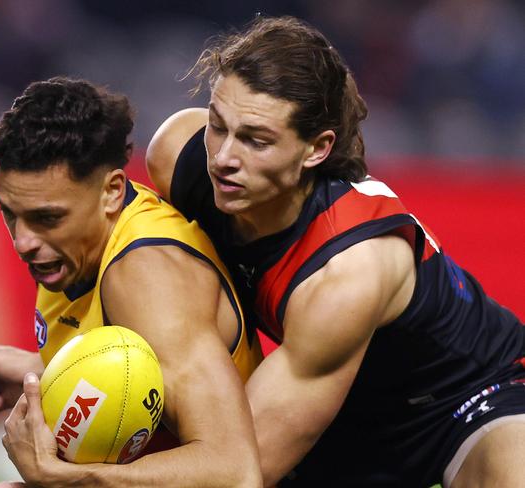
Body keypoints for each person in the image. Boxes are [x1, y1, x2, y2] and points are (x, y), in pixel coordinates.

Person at [146, 15, 525, 488]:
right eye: (219, 126)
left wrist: (77, 481)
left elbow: (240, 470)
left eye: (256, 140)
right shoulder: (178, 158)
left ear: (317, 149)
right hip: (344, 404)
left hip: (464, 401)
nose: (223, 158)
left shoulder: (347, 270)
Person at [0, 76, 263, 487]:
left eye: (47, 218)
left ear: (112, 192)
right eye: (10, 212)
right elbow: (143, 390)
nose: (23, 242)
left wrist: (57, 479)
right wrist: (43, 375)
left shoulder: (148, 279)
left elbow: (234, 472)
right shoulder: (73, 246)